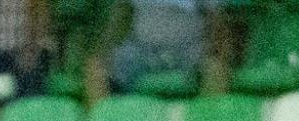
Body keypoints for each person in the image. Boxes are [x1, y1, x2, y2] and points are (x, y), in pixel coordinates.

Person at [88, 0, 222, 100]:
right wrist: (106, 48)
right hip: (140, 49)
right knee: (96, 69)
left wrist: (214, 51)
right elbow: (119, 14)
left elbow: (215, 19)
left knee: (216, 70)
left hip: (188, 49)